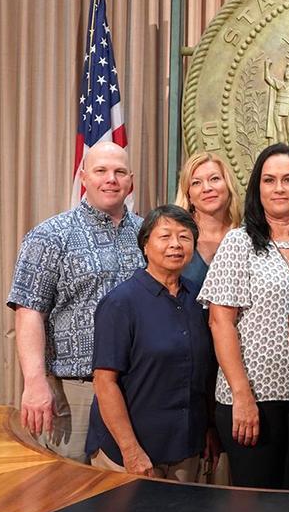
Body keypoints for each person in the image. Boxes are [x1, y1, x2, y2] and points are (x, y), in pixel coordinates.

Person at [198, 143, 289, 489]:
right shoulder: (239, 243)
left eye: (288, 179)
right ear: (257, 188)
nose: (279, 188)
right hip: (252, 398)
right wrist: (242, 395)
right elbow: (219, 322)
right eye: (269, 180)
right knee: (254, 509)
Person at [6, 142, 143, 462]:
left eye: (119, 172)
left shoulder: (148, 233)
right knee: (70, 493)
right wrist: (35, 382)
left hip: (135, 388)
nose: (111, 179)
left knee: (127, 497)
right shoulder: (50, 235)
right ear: (83, 177)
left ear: (130, 181)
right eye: (101, 171)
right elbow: (28, 311)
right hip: (76, 388)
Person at [85, 205, 217, 480]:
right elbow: (104, 382)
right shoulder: (121, 302)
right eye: (165, 236)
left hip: (186, 448)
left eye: (184, 237)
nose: (175, 245)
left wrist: (208, 429)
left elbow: (203, 376)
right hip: (129, 453)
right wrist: (130, 449)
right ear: (145, 245)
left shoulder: (200, 299)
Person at [175, 152, 242, 288]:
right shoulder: (175, 239)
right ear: (189, 195)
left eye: (214, 179)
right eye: (196, 183)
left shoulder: (247, 236)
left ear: (227, 185)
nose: (207, 188)